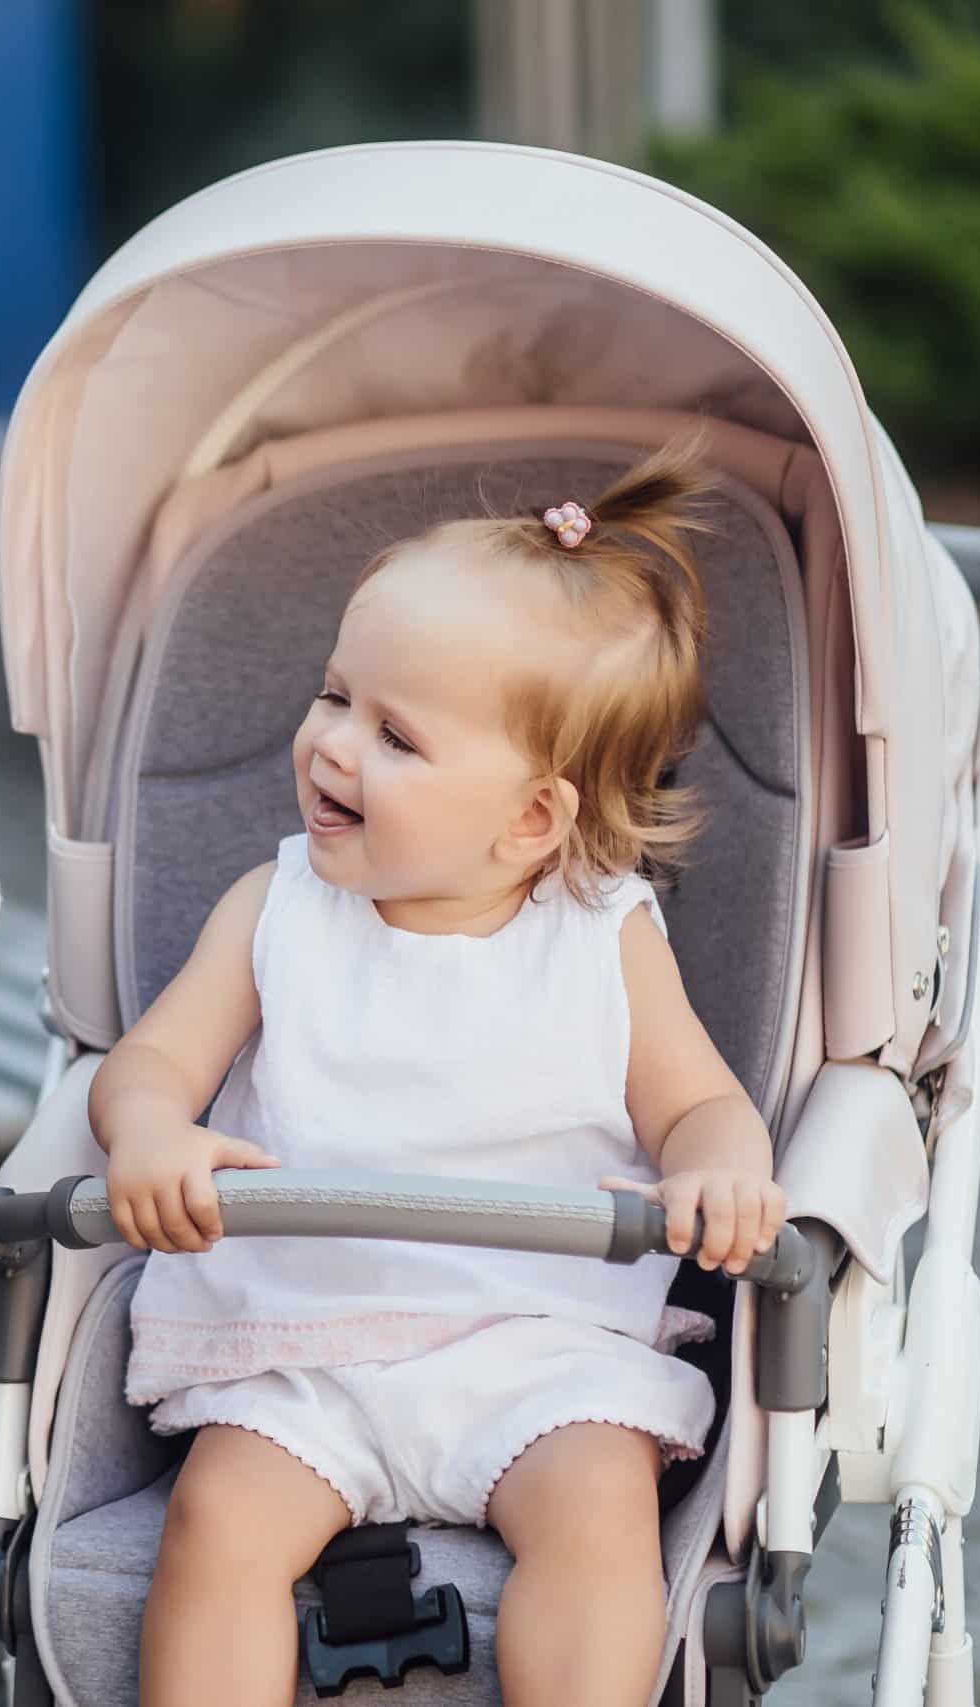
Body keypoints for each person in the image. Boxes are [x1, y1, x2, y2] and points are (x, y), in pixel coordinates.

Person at [97, 443, 789, 1706]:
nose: (331, 748)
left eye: (394, 735)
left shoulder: (602, 936)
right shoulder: (279, 906)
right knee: (218, 1533)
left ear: (531, 817)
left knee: (598, 1511)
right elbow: (154, 1056)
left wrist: (719, 1164)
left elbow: (693, 1099)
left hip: (535, 1341)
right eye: (332, 697)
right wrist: (149, 1127)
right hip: (304, 1341)